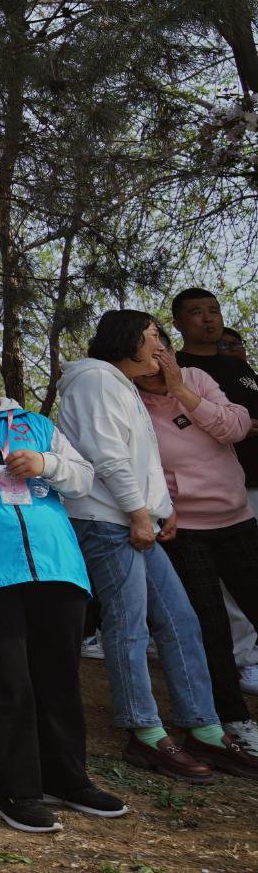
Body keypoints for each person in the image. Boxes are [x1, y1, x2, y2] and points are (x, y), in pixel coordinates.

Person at [0, 332, 127, 832]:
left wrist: (46, 464)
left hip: (55, 566)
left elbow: (82, 479)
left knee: (59, 679)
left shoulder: (36, 425)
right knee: (2, 682)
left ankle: (67, 779)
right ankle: (8, 790)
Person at [55, 311, 250, 782]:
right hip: (108, 521)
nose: (161, 347)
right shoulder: (95, 381)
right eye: (153, 337)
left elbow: (144, 458)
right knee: (129, 628)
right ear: (127, 341)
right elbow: (106, 455)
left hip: (134, 518)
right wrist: (140, 512)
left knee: (182, 623)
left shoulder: (122, 385)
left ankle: (201, 726)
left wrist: (161, 506)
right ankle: (143, 733)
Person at [142, 328, 258, 753]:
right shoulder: (129, 400)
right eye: (146, 350)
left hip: (236, 517)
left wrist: (181, 392)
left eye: (162, 348)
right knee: (210, 625)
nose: (156, 358)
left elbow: (237, 427)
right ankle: (234, 719)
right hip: (185, 530)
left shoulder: (196, 379)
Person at [172, 290, 258, 695]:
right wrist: (233, 422)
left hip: (247, 486)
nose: (208, 319)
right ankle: (244, 661)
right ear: (177, 324)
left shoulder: (237, 366)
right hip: (209, 496)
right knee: (224, 588)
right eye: (196, 313)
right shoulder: (179, 371)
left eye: (214, 310)